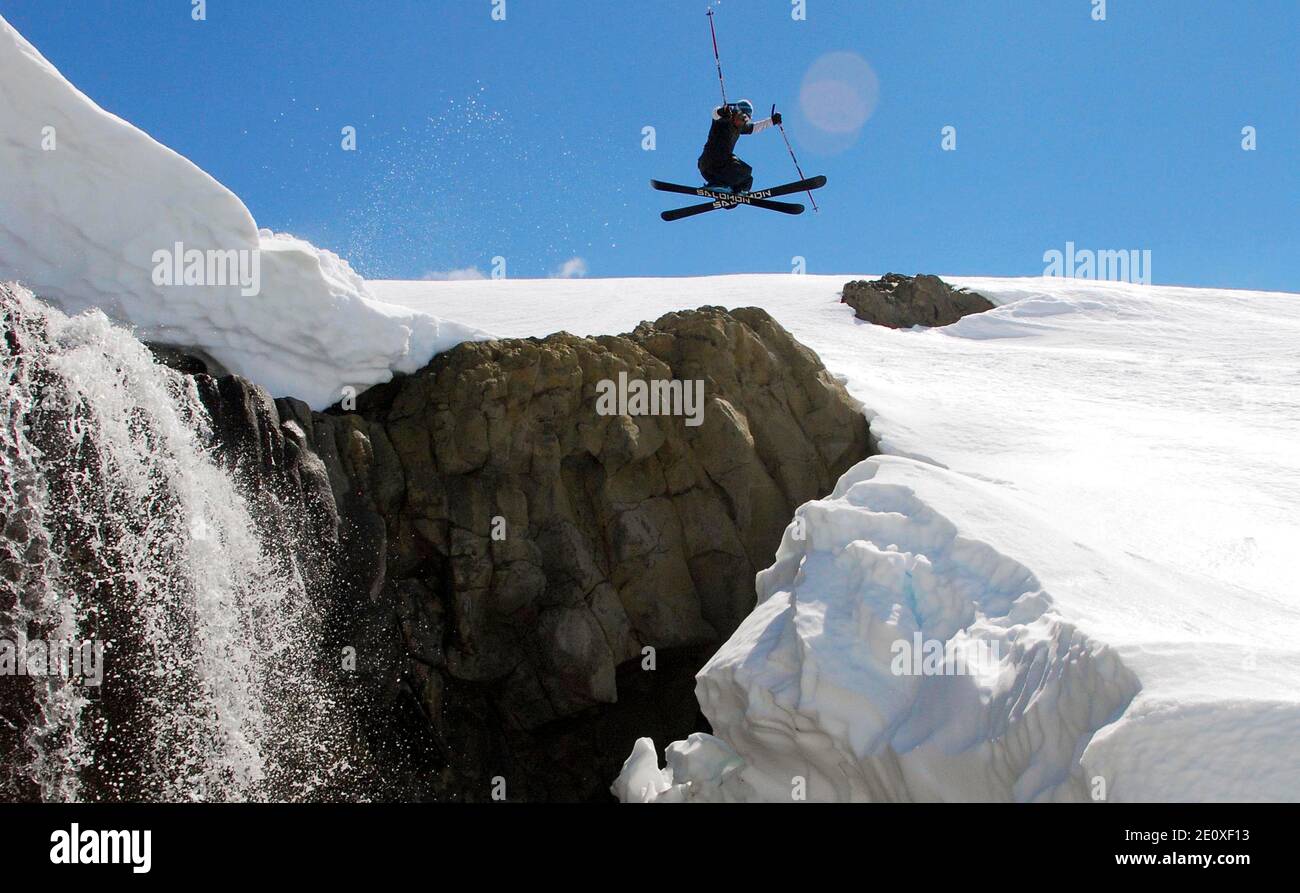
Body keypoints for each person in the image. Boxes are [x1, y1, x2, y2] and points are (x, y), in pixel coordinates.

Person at [697, 99, 782, 197]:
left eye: (747, 119)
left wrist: (772, 121)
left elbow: (755, 127)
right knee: (743, 170)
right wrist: (721, 111)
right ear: (736, 112)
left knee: (747, 179)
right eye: (743, 117)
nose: (744, 121)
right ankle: (720, 186)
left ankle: (732, 195)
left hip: (717, 170)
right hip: (711, 162)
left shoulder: (740, 126)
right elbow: (715, 114)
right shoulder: (725, 120)